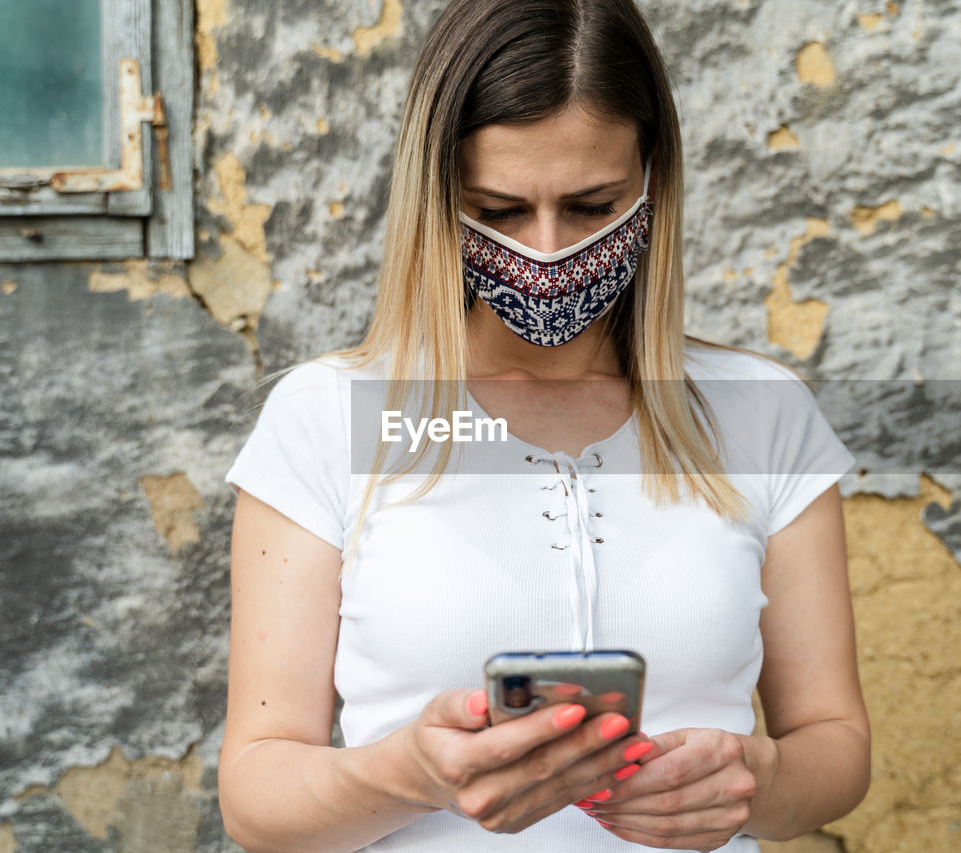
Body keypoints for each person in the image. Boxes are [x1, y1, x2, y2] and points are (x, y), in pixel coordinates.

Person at [216, 0, 870, 850]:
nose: (549, 250)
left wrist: (759, 780)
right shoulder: (328, 417)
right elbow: (255, 795)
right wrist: (405, 773)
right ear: (437, 196)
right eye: (500, 210)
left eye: (593, 206)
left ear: (652, 182)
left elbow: (836, 745)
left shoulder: (761, 411)